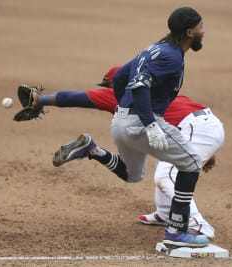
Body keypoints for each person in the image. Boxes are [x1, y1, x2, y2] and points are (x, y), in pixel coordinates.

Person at [52, 6, 208, 247]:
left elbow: (121, 77)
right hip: (141, 121)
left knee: (132, 175)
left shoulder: (154, 48)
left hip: (122, 121)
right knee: (191, 164)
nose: (203, 31)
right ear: (189, 32)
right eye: (200, 27)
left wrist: (123, 107)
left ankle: (94, 150)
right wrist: (150, 124)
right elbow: (139, 84)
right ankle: (176, 231)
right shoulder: (172, 57)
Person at [28, 66, 224, 239]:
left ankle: (198, 225)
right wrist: (206, 148)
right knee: (157, 163)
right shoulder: (157, 90)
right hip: (201, 126)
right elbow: (185, 112)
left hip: (196, 129)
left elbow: (73, 98)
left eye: (108, 86)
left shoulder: (120, 94)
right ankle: (165, 212)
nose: (106, 90)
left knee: (166, 176)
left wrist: (40, 100)